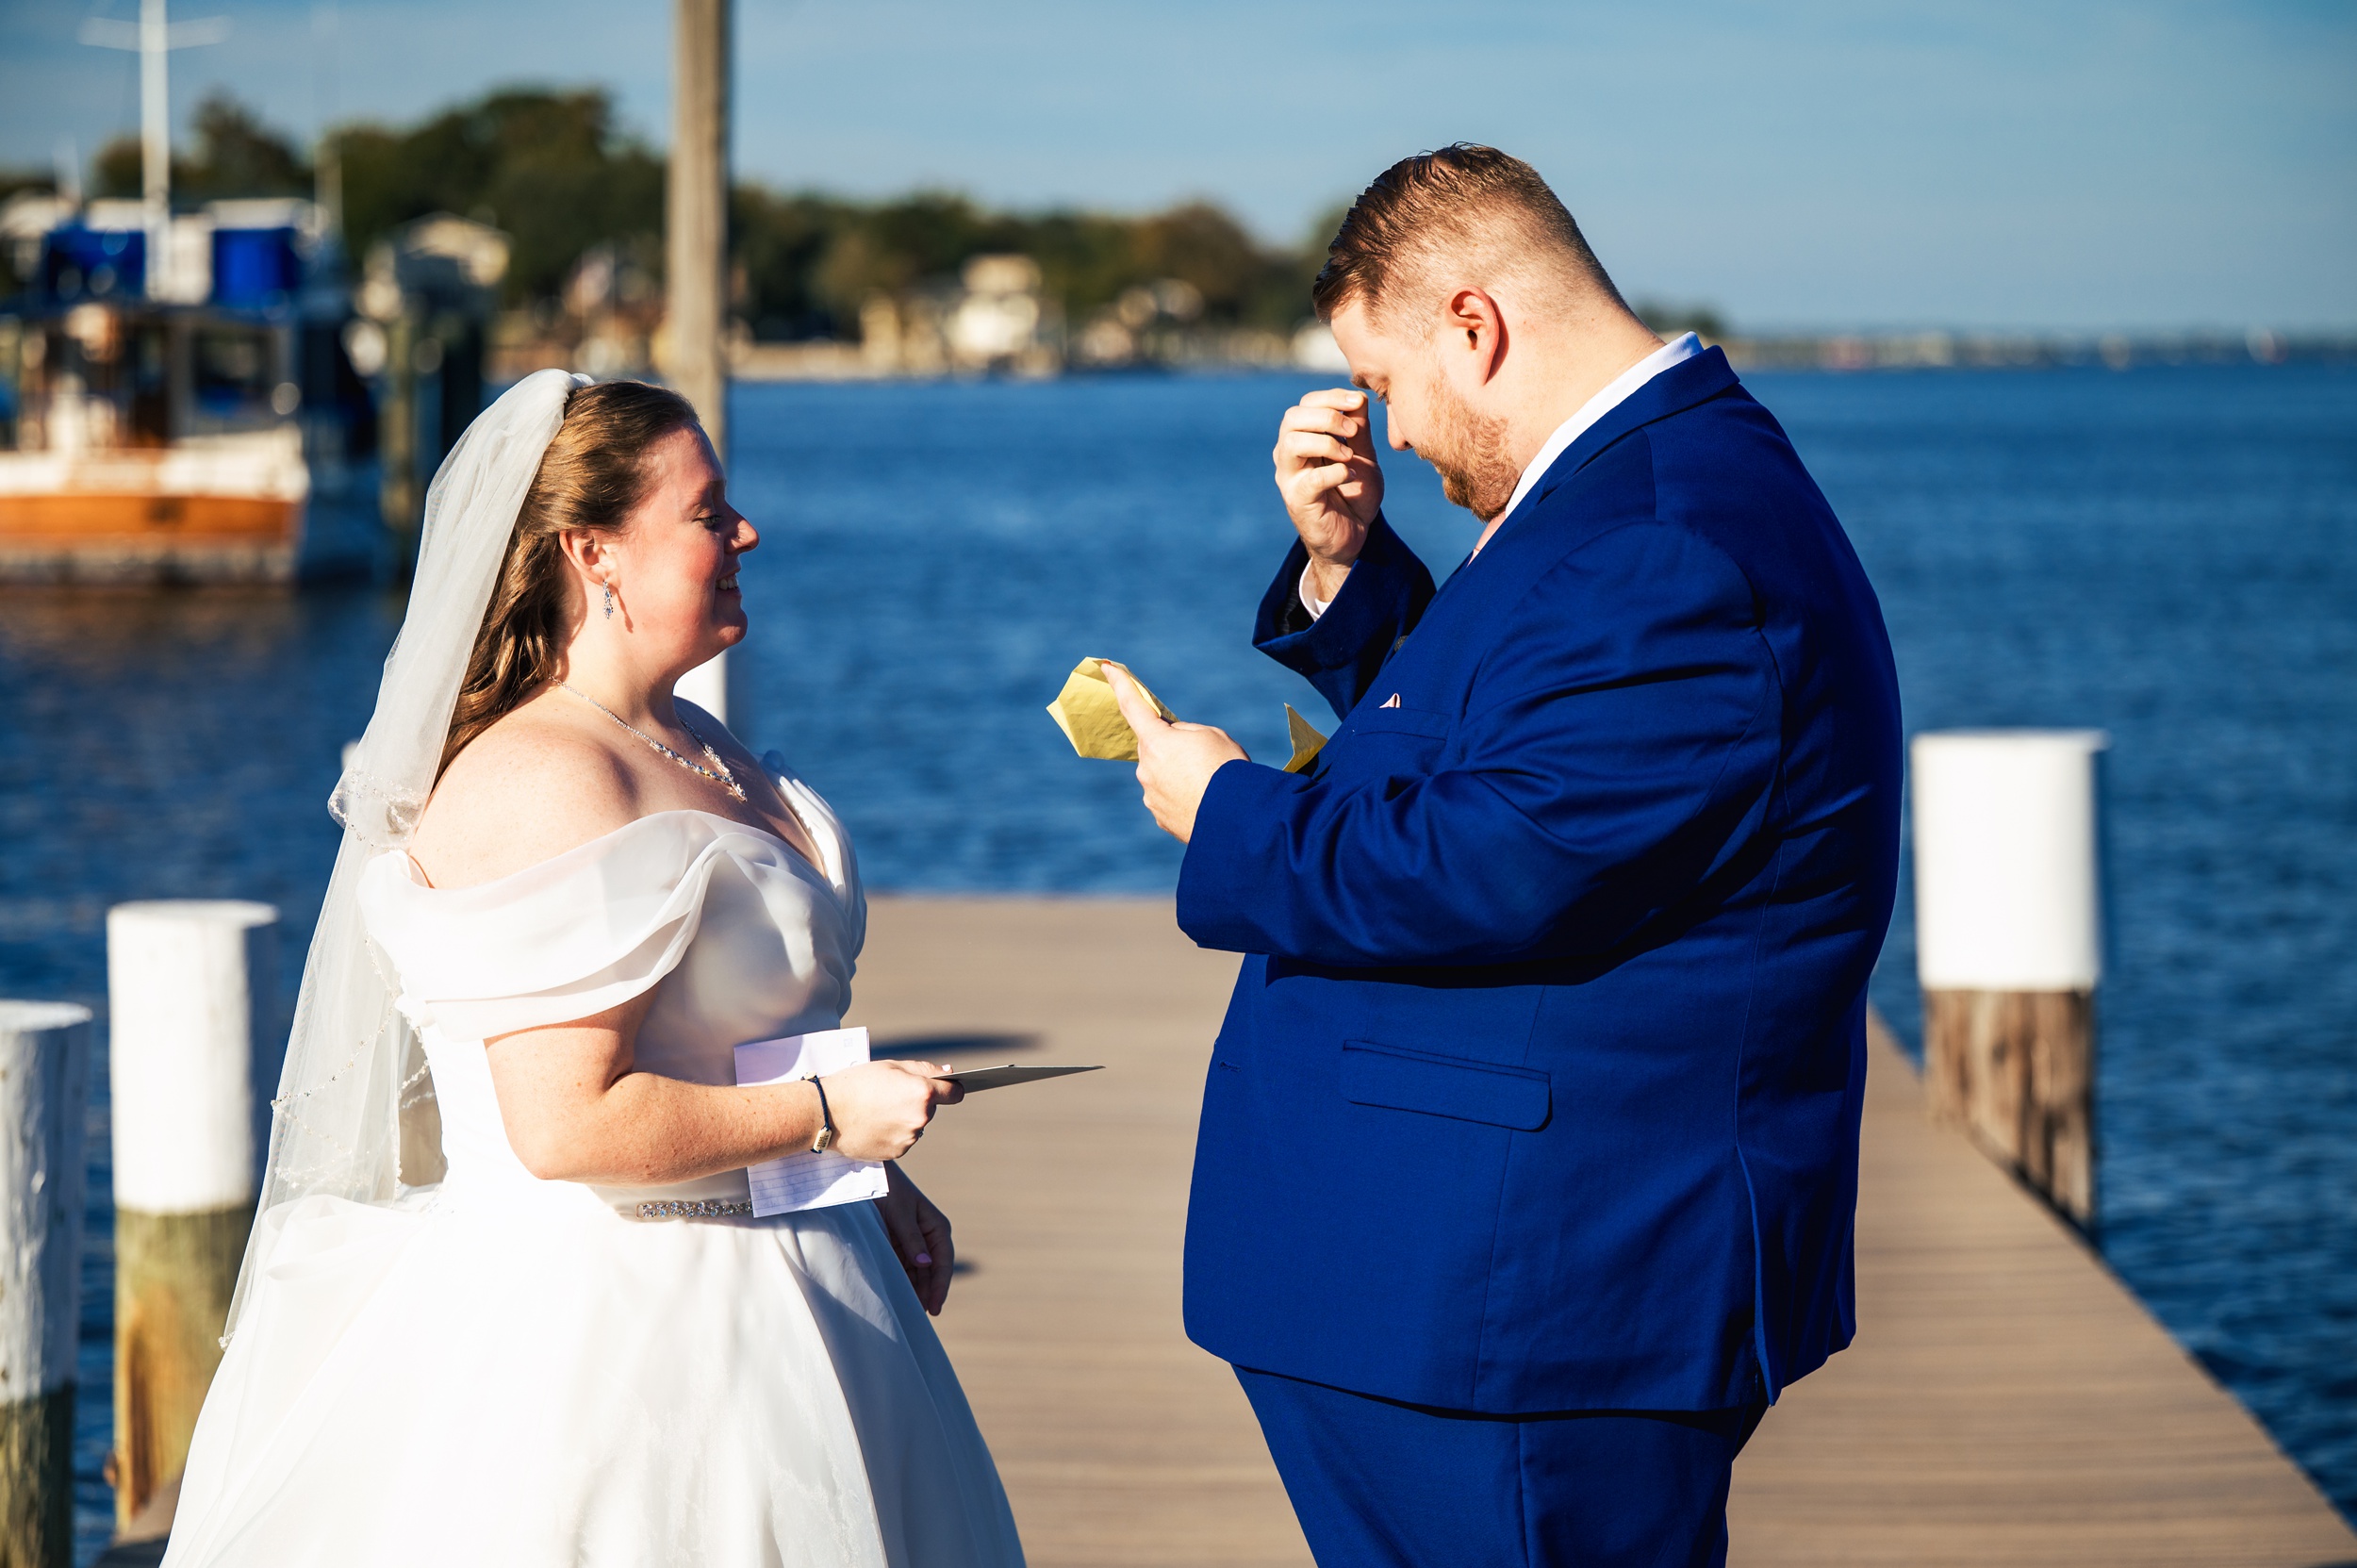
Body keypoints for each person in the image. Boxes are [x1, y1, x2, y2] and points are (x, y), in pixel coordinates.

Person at [1104, 145, 1903, 1566]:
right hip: (1469, 1288)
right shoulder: (1629, 495)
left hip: (1526, 1307)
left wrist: (1225, 806)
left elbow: (1504, 853)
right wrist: (1353, 570)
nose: (1393, 431)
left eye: (1391, 382)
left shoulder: (1662, 537)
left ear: (1473, 324)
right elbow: (1539, 743)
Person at [162, 372, 1027, 1568]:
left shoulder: (697, 743)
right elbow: (568, 1125)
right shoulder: (544, 779)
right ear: (596, 551)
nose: (746, 534)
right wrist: (831, 1116)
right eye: (709, 512)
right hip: (615, 1335)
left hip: (799, 1297)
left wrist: (861, 1186)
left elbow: (727, 1038)